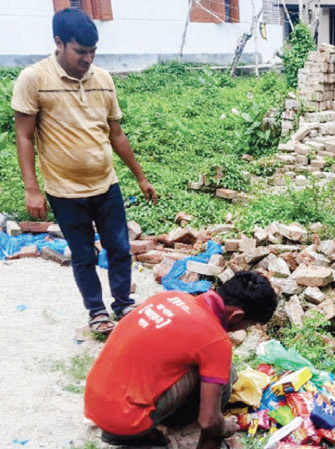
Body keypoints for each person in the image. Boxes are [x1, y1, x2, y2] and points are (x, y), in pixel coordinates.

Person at [12, 8, 158, 335]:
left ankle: (122, 302)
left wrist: (141, 176)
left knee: (119, 248)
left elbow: (116, 133)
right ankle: (96, 311)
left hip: (106, 185)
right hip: (65, 192)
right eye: (81, 51)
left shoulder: (103, 80)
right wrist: (31, 188)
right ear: (59, 43)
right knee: (83, 255)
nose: (88, 58)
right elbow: (24, 136)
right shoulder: (34, 79)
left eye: (93, 51)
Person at [84, 270, 278, 448]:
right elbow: (208, 421)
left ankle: (134, 428)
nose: (242, 330)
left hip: (95, 402)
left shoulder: (170, 297)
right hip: (125, 421)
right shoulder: (215, 340)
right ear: (237, 316)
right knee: (223, 374)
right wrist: (221, 429)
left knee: (219, 371)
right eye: (247, 325)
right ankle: (138, 434)